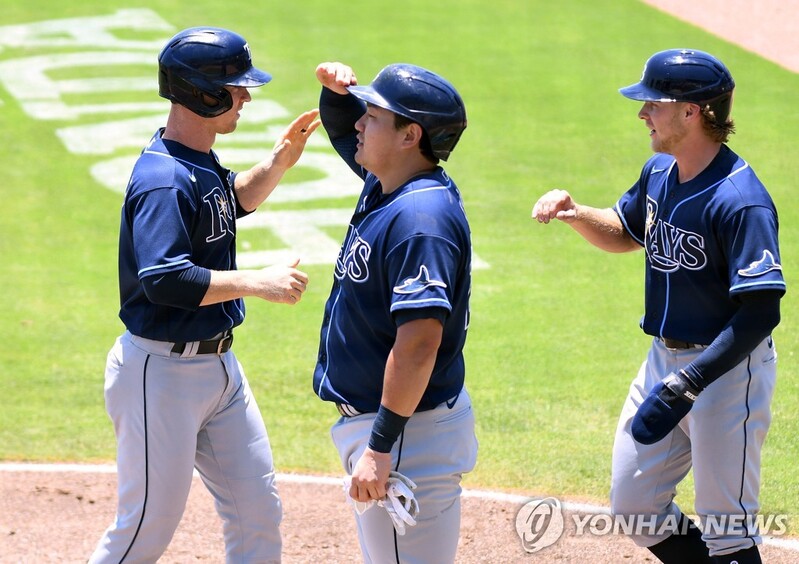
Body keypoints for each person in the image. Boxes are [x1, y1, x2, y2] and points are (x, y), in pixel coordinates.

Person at [532, 49, 785, 564]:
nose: (642, 113)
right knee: (635, 506)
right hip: (662, 362)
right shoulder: (659, 172)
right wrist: (575, 213)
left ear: (692, 111)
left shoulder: (741, 200)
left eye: (653, 103)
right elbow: (626, 232)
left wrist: (691, 381)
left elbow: (761, 312)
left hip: (725, 372)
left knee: (728, 529)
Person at [89, 27, 319, 563]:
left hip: (219, 371)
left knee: (257, 512)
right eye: (236, 88)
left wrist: (278, 163)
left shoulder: (196, 158)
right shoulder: (164, 178)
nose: (246, 97)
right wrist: (257, 282)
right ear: (202, 93)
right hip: (161, 377)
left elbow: (225, 203)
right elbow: (164, 278)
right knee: (144, 530)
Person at [312, 61, 478, 563]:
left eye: (375, 116)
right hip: (397, 426)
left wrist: (381, 447)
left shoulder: (420, 220)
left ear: (411, 135)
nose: (360, 122)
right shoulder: (390, 184)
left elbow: (419, 345)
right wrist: (337, 95)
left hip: (405, 434)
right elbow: (345, 130)